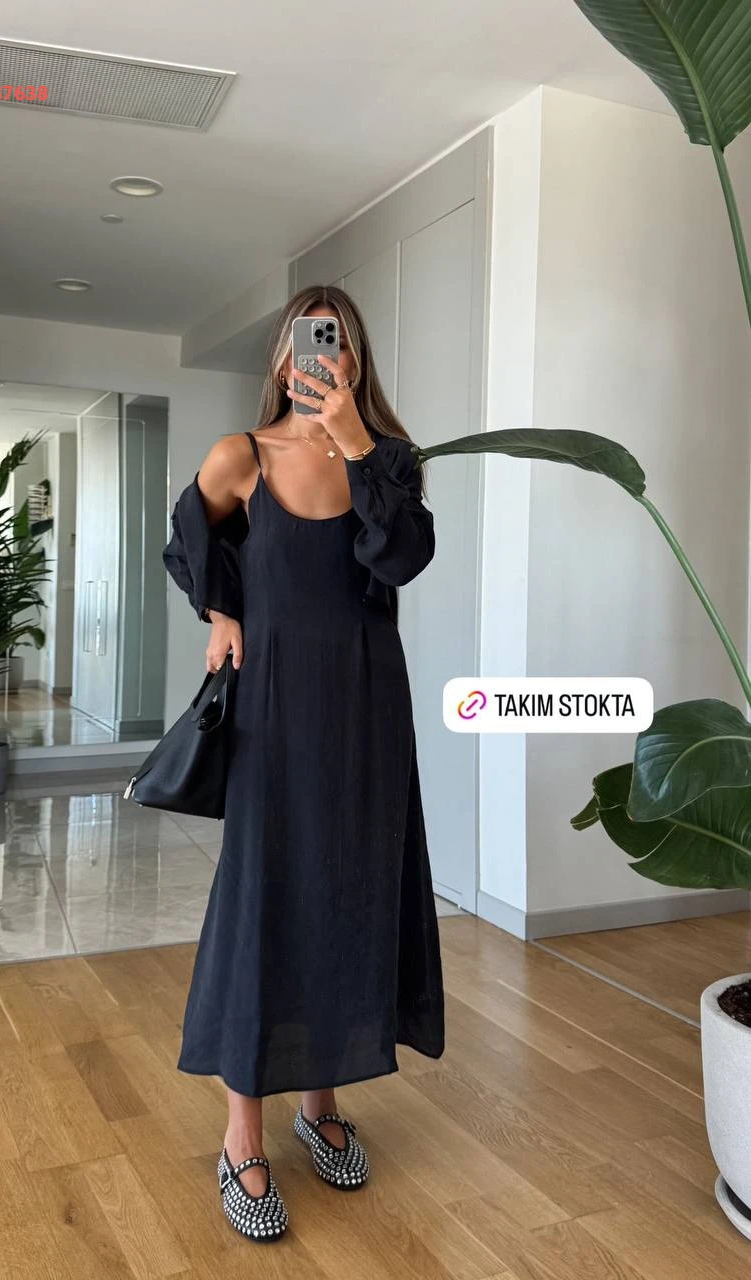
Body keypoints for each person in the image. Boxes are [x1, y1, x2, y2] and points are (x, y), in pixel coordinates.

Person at [164, 283, 445, 1244]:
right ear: (282, 359)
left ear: (352, 361)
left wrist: (357, 443)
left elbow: (401, 559)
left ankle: (318, 1101)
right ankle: (241, 1133)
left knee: (348, 892)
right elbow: (190, 538)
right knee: (265, 899)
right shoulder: (240, 457)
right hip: (274, 711)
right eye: (300, 342)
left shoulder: (391, 461)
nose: (313, 358)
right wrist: (222, 609)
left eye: (332, 343)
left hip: (367, 710)